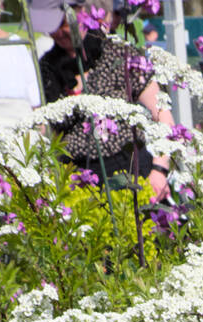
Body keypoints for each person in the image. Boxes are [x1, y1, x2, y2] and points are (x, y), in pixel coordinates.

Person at [39, 0, 174, 197]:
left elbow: (163, 115)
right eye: (51, 27)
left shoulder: (118, 53)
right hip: (77, 178)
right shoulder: (47, 66)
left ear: (81, 14)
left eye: (64, 25)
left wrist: (160, 170)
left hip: (128, 168)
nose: (59, 33)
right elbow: (45, 129)